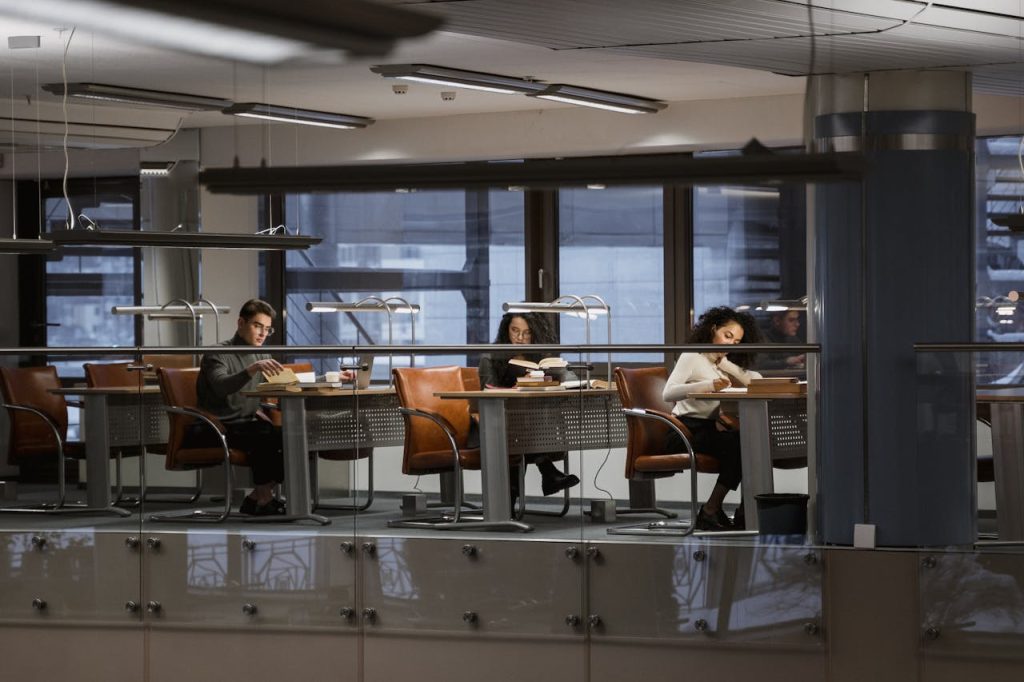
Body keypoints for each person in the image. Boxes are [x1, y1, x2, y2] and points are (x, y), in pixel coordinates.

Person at [662, 306, 762, 531]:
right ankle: (710, 510)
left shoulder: (715, 363)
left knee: (749, 443)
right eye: (727, 336)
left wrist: (725, 363)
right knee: (739, 444)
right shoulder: (692, 355)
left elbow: (756, 380)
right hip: (683, 431)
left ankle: (744, 513)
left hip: (706, 430)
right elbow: (667, 393)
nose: (730, 345)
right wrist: (708, 385)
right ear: (713, 329)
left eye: (735, 342)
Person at [192, 298, 288, 516]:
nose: (263, 334)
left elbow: (285, 384)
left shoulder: (261, 354)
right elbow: (221, 387)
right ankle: (263, 499)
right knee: (264, 435)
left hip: (245, 424)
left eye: (267, 329)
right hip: (214, 426)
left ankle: (258, 496)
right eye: (257, 326)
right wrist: (250, 370)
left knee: (290, 437)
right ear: (241, 323)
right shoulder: (217, 353)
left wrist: (330, 378)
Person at [478, 312, 580, 496]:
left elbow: (568, 374)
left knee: (524, 430)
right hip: (496, 424)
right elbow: (488, 391)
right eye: (515, 331)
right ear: (506, 330)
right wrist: (518, 386)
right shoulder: (491, 357)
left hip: (528, 425)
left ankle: (513, 499)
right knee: (520, 433)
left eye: (526, 333)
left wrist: (551, 381)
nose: (520, 338)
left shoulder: (539, 357)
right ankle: (547, 472)